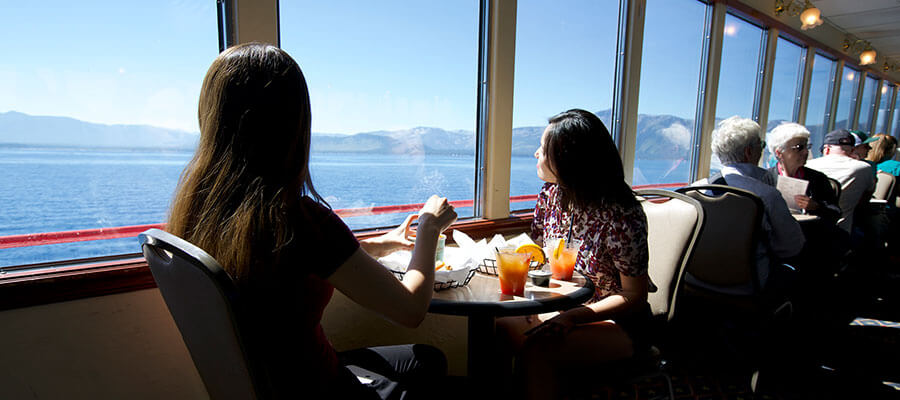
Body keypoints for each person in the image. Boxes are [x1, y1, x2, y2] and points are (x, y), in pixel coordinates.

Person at [167, 43, 457, 399]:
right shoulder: (297, 218)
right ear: (293, 126)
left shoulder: (203, 209)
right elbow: (411, 309)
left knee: (423, 360)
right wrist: (429, 228)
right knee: (432, 367)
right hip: (319, 388)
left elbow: (299, 263)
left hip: (273, 384)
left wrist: (383, 243)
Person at [495, 109, 651, 400]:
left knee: (539, 351)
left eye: (543, 149)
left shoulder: (621, 214)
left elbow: (634, 295)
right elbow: (540, 255)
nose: (536, 154)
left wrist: (573, 317)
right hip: (565, 308)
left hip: (618, 321)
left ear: (567, 159)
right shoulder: (550, 196)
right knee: (500, 325)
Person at [701, 116, 805, 292]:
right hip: (748, 284)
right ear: (749, 152)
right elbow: (792, 247)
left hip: (698, 280)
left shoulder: (697, 190)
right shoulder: (767, 195)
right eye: (761, 146)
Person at [765, 122, 840, 225]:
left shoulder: (817, 179)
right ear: (779, 153)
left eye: (807, 146)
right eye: (799, 147)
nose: (806, 152)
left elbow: (835, 213)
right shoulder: (765, 178)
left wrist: (816, 207)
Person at [806, 129, 876, 234]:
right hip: (842, 233)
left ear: (827, 149)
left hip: (808, 230)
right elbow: (865, 200)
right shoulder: (864, 168)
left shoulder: (808, 165)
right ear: (852, 150)